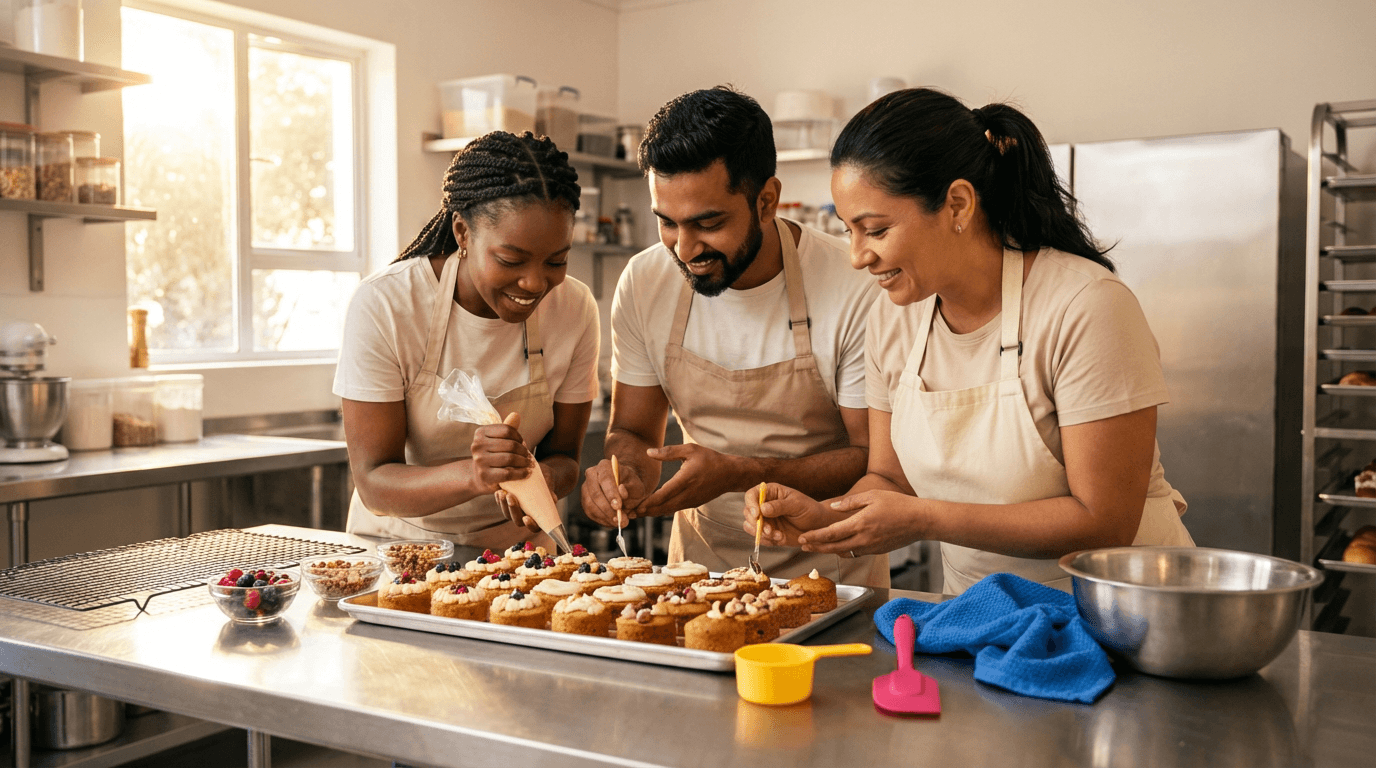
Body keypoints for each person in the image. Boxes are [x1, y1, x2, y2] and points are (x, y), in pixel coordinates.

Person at [744, 88, 1194, 594]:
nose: (857, 256)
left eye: (874, 230)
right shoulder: (893, 321)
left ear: (957, 203)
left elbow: (1103, 521)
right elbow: (890, 481)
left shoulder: (1086, 307)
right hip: (980, 618)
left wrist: (924, 519)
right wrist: (827, 517)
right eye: (849, 231)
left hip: (1119, 617)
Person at [580, 86, 886, 586]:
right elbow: (634, 433)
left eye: (708, 222)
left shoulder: (851, 288)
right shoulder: (644, 281)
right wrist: (622, 474)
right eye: (667, 223)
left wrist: (741, 472)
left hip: (831, 567)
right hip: (698, 571)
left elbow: (868, 456)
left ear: (766, 201)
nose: (684, 248)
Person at [335, 131, 599, 549]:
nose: (534, 282)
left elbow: (565, 456)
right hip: (401, 550)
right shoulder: (387, 304)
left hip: (521, 554)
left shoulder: (574, 308)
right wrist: (475, 475)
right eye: (510, 260)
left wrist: (544, 479)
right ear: (462, 232)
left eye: (556, 261)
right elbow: (374, 483)